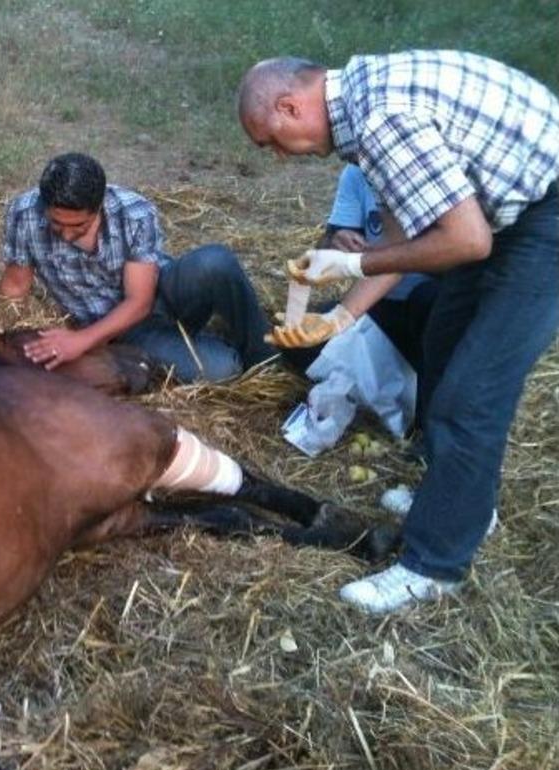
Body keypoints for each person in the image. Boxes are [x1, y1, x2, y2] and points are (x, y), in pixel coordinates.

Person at [237, 50, 559, 614]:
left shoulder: (381, 118)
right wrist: (340, 318)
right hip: (503, 212)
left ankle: (434, 567)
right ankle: (459, 500)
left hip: (542, 217)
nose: (278, 156)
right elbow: (404, 221)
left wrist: (353, 266)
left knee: (471, 395)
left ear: (289, 107)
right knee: (443, 345)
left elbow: (467, 241)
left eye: (270, 140)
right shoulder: (362, 106)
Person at [0, 152, 276, 383]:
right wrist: (3, 337)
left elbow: (140, 301)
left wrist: (80, 341)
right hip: (123, 332)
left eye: (79, 226)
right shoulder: (24, 214)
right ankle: (206, 345)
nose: (67, 235)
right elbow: (15, 286)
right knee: (223, 369)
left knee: (215, 261)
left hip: (160, 294)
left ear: (100, 206)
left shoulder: (133, 212)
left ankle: (265, 356)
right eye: (57, 224)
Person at [282, 164, 439, 378]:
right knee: (294, 338)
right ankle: (381, 380)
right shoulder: (356, 172)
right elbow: (325, 245)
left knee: (427, 300)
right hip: (373, 303)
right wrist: (335, 242)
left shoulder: (429, 171)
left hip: (428, 305)